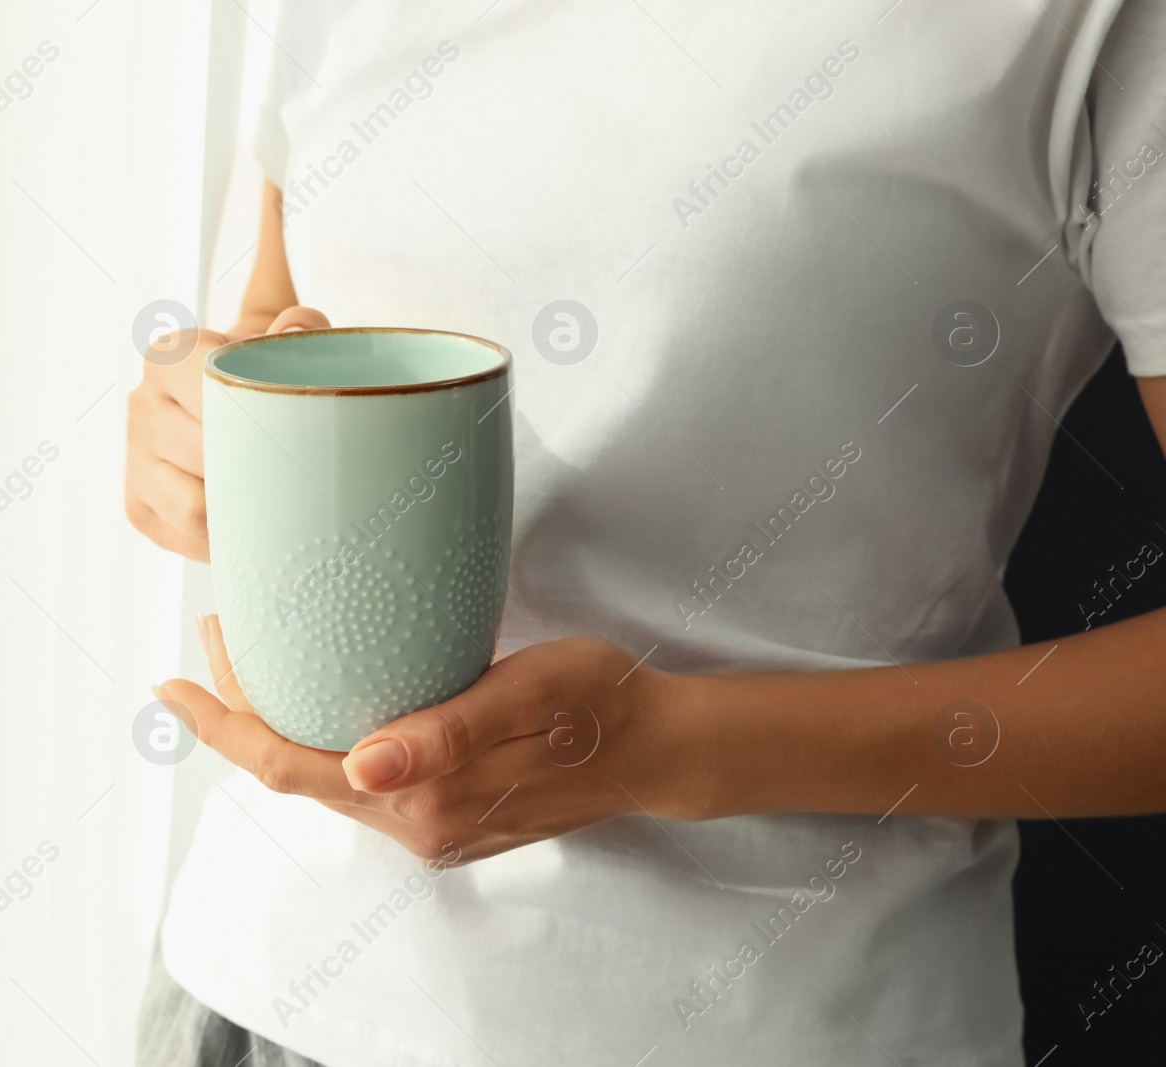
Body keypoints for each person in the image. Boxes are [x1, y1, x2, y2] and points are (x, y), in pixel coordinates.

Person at [126, 2, 1166, 1064]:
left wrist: (674, 748)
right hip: (265, 986)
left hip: (781, 1022)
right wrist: (189, 420)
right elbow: (266, 315)